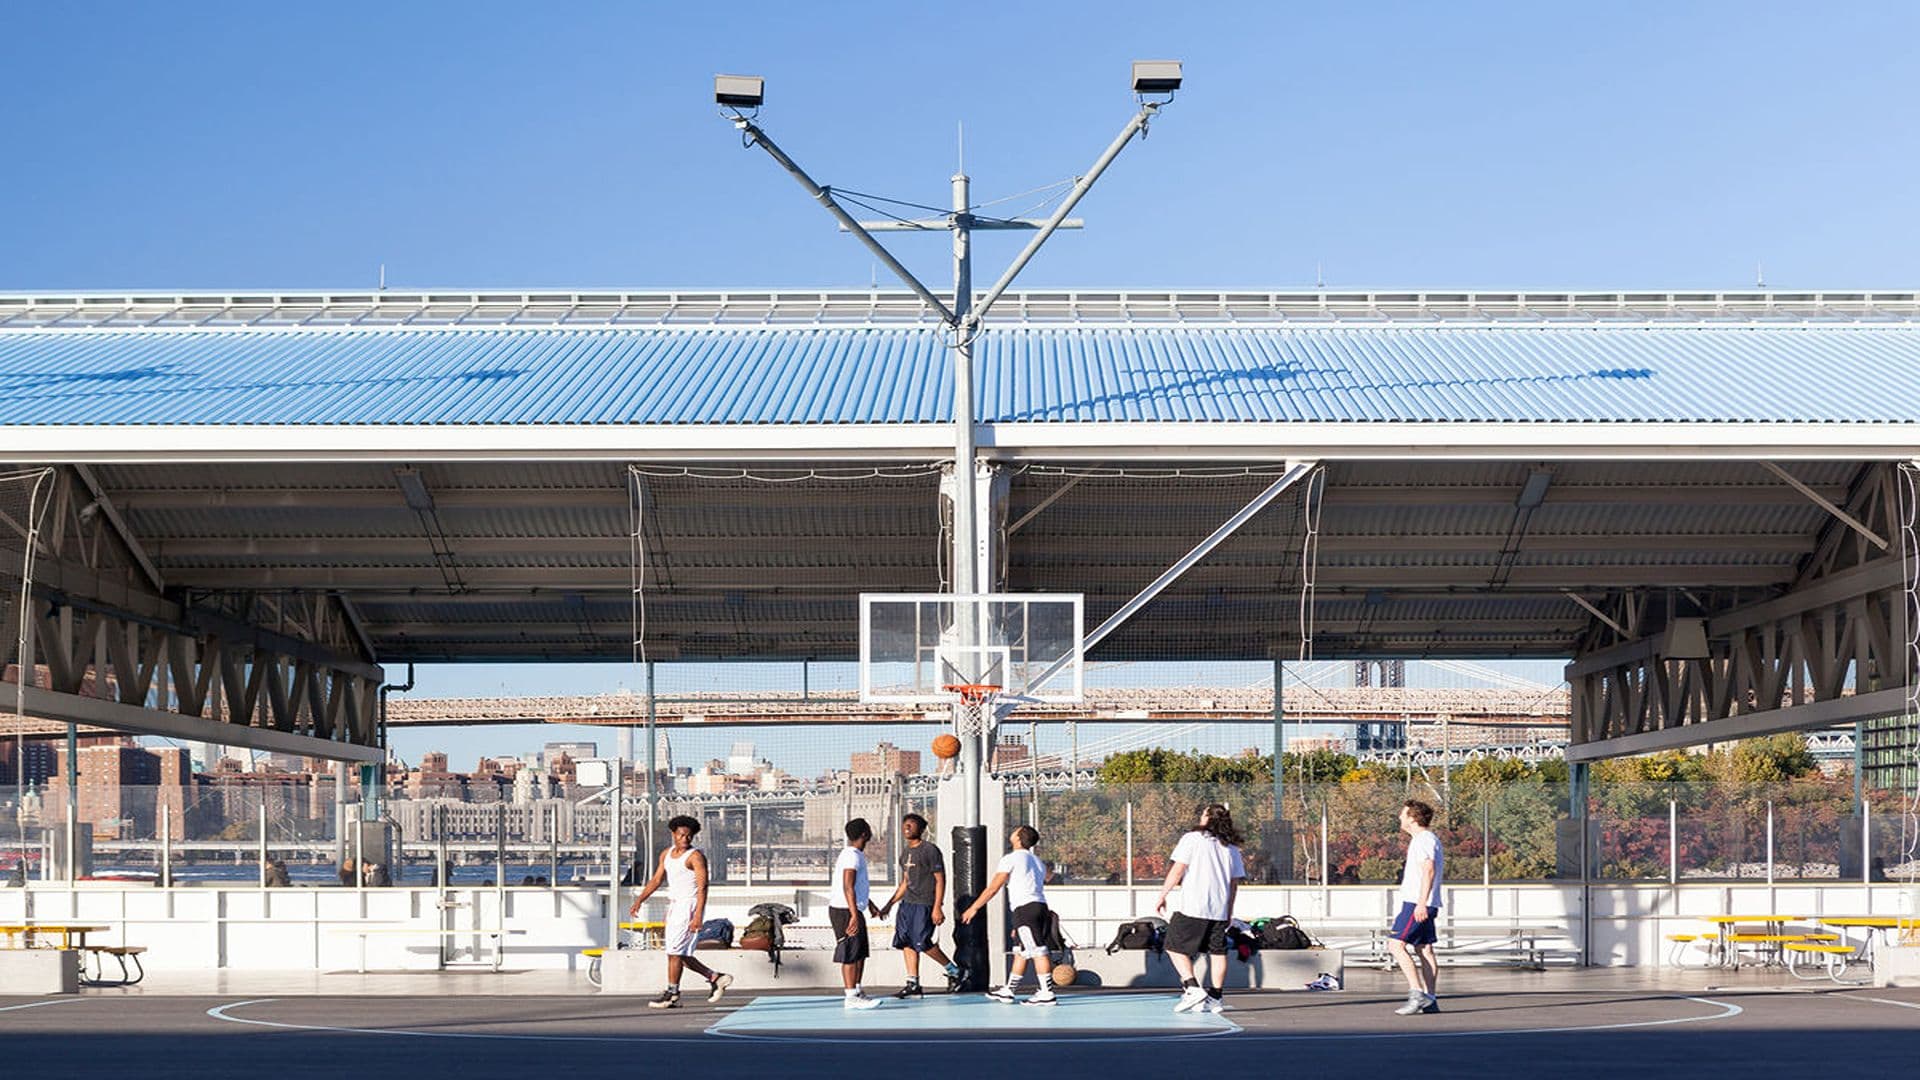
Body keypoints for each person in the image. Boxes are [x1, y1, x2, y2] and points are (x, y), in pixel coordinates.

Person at [627, 815, 733, 1009]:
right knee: (675, 953)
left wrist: (698, 915)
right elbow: (656, 880)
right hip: (674, 905)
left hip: (689, 907)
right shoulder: (666, 854)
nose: (685, 839)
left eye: (689, 836)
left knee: (676, 952)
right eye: (682, 835)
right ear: (673, 834)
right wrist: (639, 900)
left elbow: (703, 887)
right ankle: (715, 977)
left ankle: (672, 993)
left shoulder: (695, 856)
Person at [1154, 803, 1246, 1013]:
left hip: (1195, 905)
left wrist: (1163, 895)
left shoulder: (1193, 839)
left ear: (1206, 818)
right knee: (1217, 951)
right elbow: (1233, 884)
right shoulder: (1230, 848)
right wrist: (1229, 910)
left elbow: (1178, 870)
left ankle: (1191, 986)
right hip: (1219, 908)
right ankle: (1216, 997)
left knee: (1172, 945)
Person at [959, 825, 1057, 1006]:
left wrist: (974, 907)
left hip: (1025, 908)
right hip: (1037, 907)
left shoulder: (1011, 858)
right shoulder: (1037, 861)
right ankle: (1009, 991)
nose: (1011, 832)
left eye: (1015, 831)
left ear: (1019, 838)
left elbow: (994, 887)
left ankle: (1047, 993)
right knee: (1021, 951)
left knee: (1038, 951)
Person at [877, 812, 964, 997]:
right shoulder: (905, 853)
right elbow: (905, 882)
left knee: (922, 941)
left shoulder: (930, 850)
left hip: (925, 904)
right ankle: (913, 982)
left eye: (911, 825)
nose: (907, 827)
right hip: (907, 904)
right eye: (905, 824)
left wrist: (937, 906)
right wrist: (890, 904)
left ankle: (955, 971)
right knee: (906, 942)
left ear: (921, 829)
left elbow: (940, 880)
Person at [1389, 799, 1444, 1016]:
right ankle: (1430, 999)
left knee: (1395, 945)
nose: (1400, 818)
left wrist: (1421, 903)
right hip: (1423, 902)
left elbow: (1428, 869)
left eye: (1403, 814)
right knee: (1425, 949)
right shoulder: (1426, 839)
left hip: (1417, 903)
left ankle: (1417, 992)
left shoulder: (1423, 840)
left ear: (1412, 818)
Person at [830, 818, 885, 1009]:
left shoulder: (856, 855)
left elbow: (856, 887)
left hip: (853, 908)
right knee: (850, 953)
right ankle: (850, 996)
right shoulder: (851, 856)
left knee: (860, 952)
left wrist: (869, 904)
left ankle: (857, 990)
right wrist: (854, 914)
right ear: (864, 833)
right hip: (844, 910)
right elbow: (848, 886)